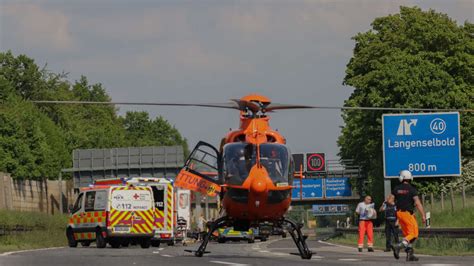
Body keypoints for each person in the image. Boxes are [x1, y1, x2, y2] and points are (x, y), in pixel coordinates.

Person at [391, 170, 426, 262]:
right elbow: (417, 203)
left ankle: (410, 255)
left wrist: (399, 204)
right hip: (408, 214)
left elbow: (390, 201)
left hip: (399, 214)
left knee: (407, 235)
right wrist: (423, 215)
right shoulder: (412, 189)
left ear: (401, 178)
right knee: (414, 234)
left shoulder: (396, 189)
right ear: (410, 178)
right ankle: (398, 246)